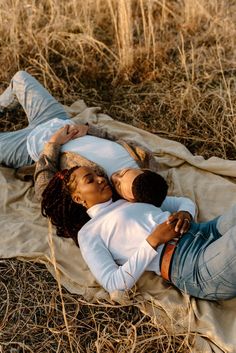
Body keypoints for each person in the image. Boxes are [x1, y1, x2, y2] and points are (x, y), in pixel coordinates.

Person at [41, 163, 236, 301]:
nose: (101, 179)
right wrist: (152, 241)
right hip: (193, 266)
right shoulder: (89, 233)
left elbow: (180, 201)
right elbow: (113, 283)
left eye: (97, 174)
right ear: (77, 198)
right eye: (90, 179)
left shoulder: (128, 198)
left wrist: (186, 213)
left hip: (205, 231)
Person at [0, 70, 190, 207]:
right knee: (20, 78)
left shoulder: (97, 192)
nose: (115, 176)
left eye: (117, 182)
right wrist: (88, 130)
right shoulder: (143, 159)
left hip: (30, 146)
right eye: (123, 172)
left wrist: (53, 145)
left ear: (130, 200)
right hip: (58, 120)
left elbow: (45, 193)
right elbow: (115, 138)